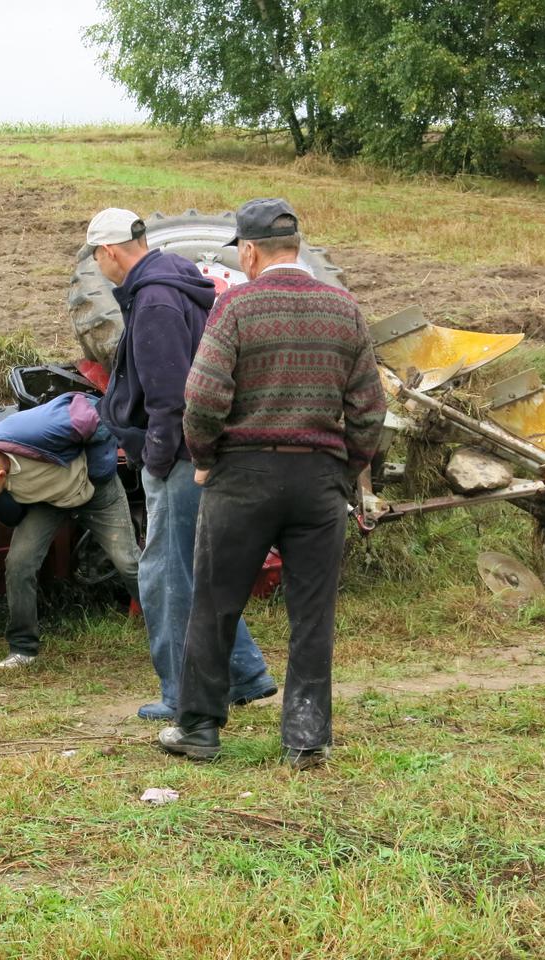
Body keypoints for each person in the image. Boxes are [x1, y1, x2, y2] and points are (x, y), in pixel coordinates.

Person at [158, 198, 386, 769]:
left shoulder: (235, 306)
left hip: (243, 475)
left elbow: (203, 396)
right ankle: (306, 739)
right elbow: (369, 408)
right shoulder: (345, 309)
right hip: (318, 481)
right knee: (312, 613)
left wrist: (206, 456)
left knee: (214, 603)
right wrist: (346, 469)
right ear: (299, 247)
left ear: (250, 250)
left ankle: (200, 730)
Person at [87, 207, 276, 722]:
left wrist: (157, 457)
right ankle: (244, 675)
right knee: (197, 571)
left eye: (97, 258)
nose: (98, 268)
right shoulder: (177, 280)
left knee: (166, 578)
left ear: (108, 252)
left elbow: (171, 396)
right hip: (203, 450)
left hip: (178, 456)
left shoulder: (153, 302)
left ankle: (180, 694)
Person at [0, 392, 140, 669]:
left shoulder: (40, 430)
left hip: (96, 491)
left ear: (0, 477)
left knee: (128, 562)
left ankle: (171, 627)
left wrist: (98, 474)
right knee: (19, 563)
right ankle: (23, 649)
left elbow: (97, 414)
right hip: (48, 502)